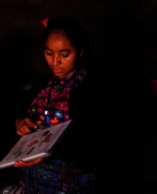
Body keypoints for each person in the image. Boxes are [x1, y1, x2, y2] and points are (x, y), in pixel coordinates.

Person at [14, 16, 102, 194]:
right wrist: (19, 122)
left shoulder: (93, 87)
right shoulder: (42, 83)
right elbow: (22, 109)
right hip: (33, 175)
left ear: (80, 51)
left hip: (70, 180)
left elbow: (94, 139)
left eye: (64, 55)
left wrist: (50, 151)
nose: (55, 62)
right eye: (49, 53)